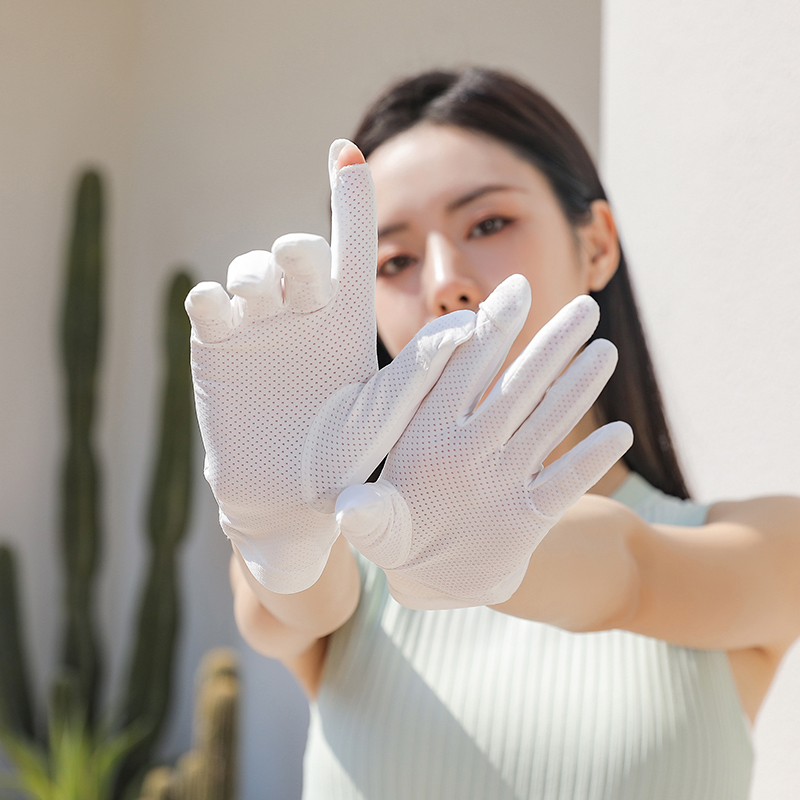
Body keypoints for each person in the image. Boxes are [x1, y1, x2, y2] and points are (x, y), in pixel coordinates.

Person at [188, 68, 800, 799]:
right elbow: (291, 607)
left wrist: (464, 542)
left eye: (488, 224)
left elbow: (630, 571)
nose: (446, 281)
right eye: (395, 261)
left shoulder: (769, 543)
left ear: (597, 244)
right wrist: (285, 536)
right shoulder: (342, 536)